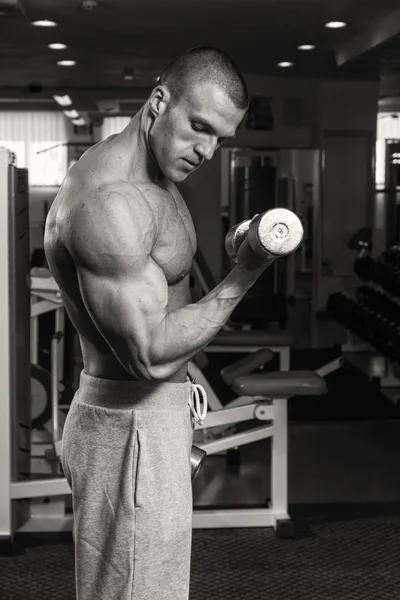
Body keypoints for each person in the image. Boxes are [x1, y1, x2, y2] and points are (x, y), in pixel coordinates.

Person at [44, 46, 270, 600]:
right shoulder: (107, 203)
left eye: (220, 137)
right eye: (198, 127)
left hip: (149, 422)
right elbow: (149, 354)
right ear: (158, 101)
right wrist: (247, 272)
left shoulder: (157, 178)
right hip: (130, 427)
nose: (207, 150)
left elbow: (166, 284)